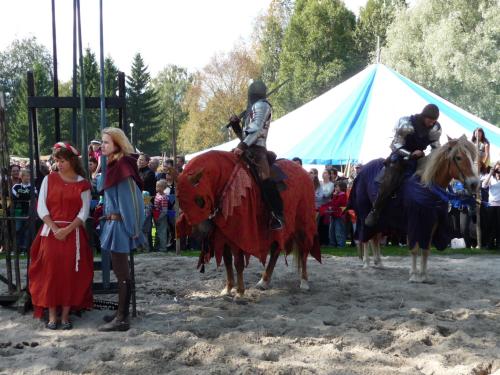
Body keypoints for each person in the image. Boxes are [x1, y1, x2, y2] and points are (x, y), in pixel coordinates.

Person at [28, 142, 93, 330]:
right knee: (50, 273)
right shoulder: (49, 179)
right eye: (57, 160)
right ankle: (52, 316)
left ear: (72, 161)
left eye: (62, 160)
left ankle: (65, 316)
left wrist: (67, 230)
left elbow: (84, 212)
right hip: (50, 234)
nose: (59, 164)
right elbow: (41, 207)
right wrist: (55, 229)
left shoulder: (83, 184)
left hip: (74, 235)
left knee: (69, 274)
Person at [98, 127, 146, 331]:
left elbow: (132, 203)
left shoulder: (123, 167)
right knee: (120, 272)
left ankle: (122, 318)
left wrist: (133, 229)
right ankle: (121, 313)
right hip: (113, 224)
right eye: (102, 142)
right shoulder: (114, 165)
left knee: (122, 273)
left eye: (106, 142)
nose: (102, 145)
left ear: (117, 144)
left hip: (120, 227)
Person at [365, 104, 442, 227]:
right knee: (391, 180)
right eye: (430, 120)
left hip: (419, 159)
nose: (432, 124)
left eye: (434, 121)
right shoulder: (406, 123)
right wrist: (411, 154)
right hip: (401, 158)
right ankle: (375, 210)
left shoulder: (435, 128)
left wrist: (433, 158)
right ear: (424, 117)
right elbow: (395, 145)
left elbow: (436, 148)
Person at [229, 79, 284, 230]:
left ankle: (277, 215)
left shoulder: (262, 106)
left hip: (258, 151)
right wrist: (235, 125)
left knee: (264, 179)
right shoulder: (251, 109)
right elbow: (246, 135)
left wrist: (242, 145)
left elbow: (257, 130)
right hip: (246, 148)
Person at [12, 169, 36, 253]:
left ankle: (25, 249)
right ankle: (17, 249)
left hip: (29, 211)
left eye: (29, 176)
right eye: (26, 176)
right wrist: (26, 196)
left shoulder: (33, 187)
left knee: (27, 230)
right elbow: (15, 197)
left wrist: (22, 195)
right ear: (21, 177)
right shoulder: (16, 187)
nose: (28, 177)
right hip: (18, 211)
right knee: (17, 229)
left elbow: (33, 197)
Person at [482, 161, 500, 250]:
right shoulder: (491, 178)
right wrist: (490, 173)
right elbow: (483, 185)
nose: (498, 170)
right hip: (491, 204)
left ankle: (498, 244)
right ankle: (490, 243)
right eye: (497, 168)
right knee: (490, 225)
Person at [153, 179, 169, 252]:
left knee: (162, 232)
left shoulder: (164, 198)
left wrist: (159, 217)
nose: (157, 188)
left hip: (161, 217)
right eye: (156, 186)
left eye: (158, 187)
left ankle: (163, 247)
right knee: (158, 231)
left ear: (163, 188)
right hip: (156, 215)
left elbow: (164, 210)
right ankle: (157, 246)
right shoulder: (157, 195)